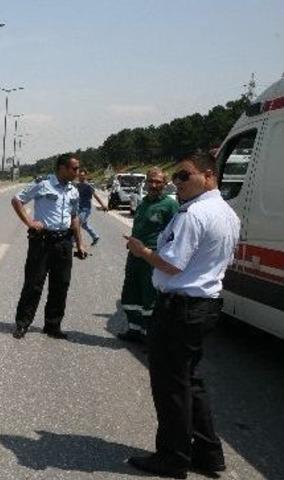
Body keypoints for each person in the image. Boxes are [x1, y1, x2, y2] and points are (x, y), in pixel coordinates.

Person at [123, 151, 239, 478]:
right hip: (204, 306)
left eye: (185, 175)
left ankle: (173, 458)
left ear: (208, 175)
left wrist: (142, 251)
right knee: (191, 381)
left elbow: (171, 264)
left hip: (180, 308)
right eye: (176, 176)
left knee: (171, 386)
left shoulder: (193, 214)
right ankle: (209, 454)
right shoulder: (227, 213)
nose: (178, 182)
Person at [10, 154, 87, 340]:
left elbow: (74, 217)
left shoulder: (73, 190)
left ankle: (53, 325)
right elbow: (17, 200)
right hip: (42, 241)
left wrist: (80, 243)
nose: (78, 172)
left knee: (61, 284)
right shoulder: (43, 184)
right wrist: (30, 222)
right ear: (62, 168)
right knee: (34, 284)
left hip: (64, 242)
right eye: (74, 169)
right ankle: (22, 323)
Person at [117, 167, 179, 343]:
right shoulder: (143, 203)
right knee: (131, 293)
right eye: (151, 181)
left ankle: (149, 335)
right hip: (134, 257)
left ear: (165, 184)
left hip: (151, 258)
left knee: (150, 297)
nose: (154, 185)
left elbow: (175, 234)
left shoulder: (170, 205)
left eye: (158, 182)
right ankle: (134, 329)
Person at [75, 168, 108, 246]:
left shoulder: (88, 186)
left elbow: (96, 196)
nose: (81, 177)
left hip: (85, 208)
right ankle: (95, 236)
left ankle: (76, 241)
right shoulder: (77, 185)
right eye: (80, 175)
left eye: (82, 175)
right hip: (78, 208)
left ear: (85, 176)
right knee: (84, 225)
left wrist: (103, 205)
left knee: (77, 223)